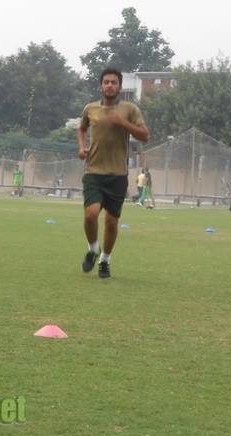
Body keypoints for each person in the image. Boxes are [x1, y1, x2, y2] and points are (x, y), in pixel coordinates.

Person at [78, 68, 149, 279]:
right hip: (93, 172)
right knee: (90, 216)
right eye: (106, 82)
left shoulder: (129, 109)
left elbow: (144, 135)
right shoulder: (90, 109)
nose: (110, 85)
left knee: (111, 222)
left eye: (114, 82)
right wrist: (82, 147)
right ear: (101, 86)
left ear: (120, 87)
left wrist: (124, 123)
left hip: (118, 175)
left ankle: (105, 261)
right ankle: (93, 249)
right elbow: (82, 129)